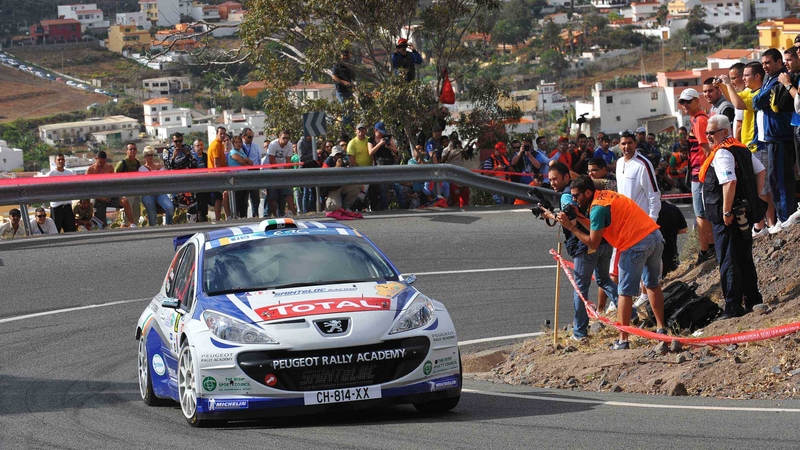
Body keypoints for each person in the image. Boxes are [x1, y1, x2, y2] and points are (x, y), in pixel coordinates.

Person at [557, 175, 667, 350]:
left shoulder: (597, 208)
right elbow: (597, 227)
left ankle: (623, 340)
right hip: (654, 236)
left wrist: (571, 227)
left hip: (634, 244)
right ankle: (662, 329)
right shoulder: (607, 196)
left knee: (624, 293)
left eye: (576, 196)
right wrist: (578, 217)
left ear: (587, 192)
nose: (574, 200)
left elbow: (593, 241)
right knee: (652, 285)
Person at [539, 163, 621, 340]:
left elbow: (571, 220)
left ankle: (580, 332)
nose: (552, 182)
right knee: (604, 280)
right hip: (604, 241)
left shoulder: (567, 195)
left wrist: (549, 215)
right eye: (550, 179)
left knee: (580, 289)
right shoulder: (583, 188)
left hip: (586, 245)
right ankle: (632, 313)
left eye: (555, 179)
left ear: (566, 177)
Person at [701, 114, 764, 319]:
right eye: (707, 133)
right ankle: (753, 300)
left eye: (713, 132)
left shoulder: (722, 153)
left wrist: (727, 211)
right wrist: (752, 196)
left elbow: (730, 182)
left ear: (725, 132)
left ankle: (733, 306)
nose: (709, 137)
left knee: (728, 259)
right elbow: (761, 171)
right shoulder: (741, 148)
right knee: (744, 257)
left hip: (727, 217)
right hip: (742, 213)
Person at [719, 62, 778, 236]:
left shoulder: (759, 94)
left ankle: (770, 223)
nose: (743, 78)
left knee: (763, 188)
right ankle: (762, 224)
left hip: (758, 144)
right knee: (756, 188)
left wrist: (727, 85)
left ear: (757, 76)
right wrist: (722, 86)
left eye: (746, 75)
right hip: (749, 145)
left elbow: (738, 104)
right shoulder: (749, 92)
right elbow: (732, 98)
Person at [753, 48, 796, 226]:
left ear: (779, 62)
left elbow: (758, 100)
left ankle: (787, 217)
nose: (765, 66)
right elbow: (758, 101)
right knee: (774, 179)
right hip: (771, 137)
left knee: (781, 179)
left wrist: (760, 99)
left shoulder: (781, 78)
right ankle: (782, 218)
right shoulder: (768, 79)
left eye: (768, 62)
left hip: (781, 136)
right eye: (763, 63)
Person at [678, 88, 715, 265]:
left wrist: (706, 173)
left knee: (700, 214)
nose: (684, 105)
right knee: (703, 213)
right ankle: (711, 247)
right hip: (699, 172)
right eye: (682, 102)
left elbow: (707, 149)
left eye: (687, 101)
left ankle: (705, 250)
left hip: (700, 173)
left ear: (696, 101)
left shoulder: (700, 121)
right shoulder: (698, 119)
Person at [615, 131, 661, 220]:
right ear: (619, 146)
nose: (627, 146)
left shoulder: (643, 164)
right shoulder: (619, 163)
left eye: (630, 143)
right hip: (624, 218)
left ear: (635, 144)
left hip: (641, 220)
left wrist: (652, 220)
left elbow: (653, 194)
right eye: (623, 143)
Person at [87, 151, 135, 228]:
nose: (101, 164)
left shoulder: (109, 167)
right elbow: (88, 188)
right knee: (102, 225)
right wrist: (100, 197)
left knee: (124, 201)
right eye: (100, 162)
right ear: (96, 159)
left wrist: (110, 195)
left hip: (110, 196)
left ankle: (132, 223)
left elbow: (113, 183)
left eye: (103, 162)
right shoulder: (90, 170)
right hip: (98, 199)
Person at [368, 121, 406, 209]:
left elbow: (396, 151)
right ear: (375, 130)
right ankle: (384, 207)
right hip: (379, 164)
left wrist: (388, 146)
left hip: (390, 163)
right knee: (382, 187)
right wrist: (379, 144)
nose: (381, 134)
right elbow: (370, 152)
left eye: (382, 132)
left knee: (397, 185)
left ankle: (402, 205)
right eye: (379, 132)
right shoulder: (371, 140)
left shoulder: (388, 138)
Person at [321, 145, 361, 219]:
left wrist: (349, 166)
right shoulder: (328, 161)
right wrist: (337, 167)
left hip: (343, 185)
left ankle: (344, 208)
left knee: (356, 187)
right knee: (333, 207)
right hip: (332, 188)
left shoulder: (344, 160)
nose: (339, 156)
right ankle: (331, 205)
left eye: (340, 154)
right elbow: (325, 177)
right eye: (337, 155)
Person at [139, 146, 174, 226]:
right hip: (148, 193)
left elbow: (164, 178)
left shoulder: (160, 166)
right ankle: (153, 235)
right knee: (152, 216)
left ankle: (168, 225)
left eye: (152, 155)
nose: (150, 157)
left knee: (170, 208)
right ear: (144, 156)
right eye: (148, 155)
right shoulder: (141, 169)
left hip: (160, 193)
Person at [441, 132, 478, 207]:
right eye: (453, 139)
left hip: (461, 174)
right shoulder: (446, 150)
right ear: (450, 139)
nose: (455, 140)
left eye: (456, 139)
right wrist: (449, 150)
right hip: (451, 175)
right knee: (455, 197)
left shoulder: (460, 149)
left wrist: (461, 148)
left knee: (465, 195)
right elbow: (442, 161)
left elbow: (466, 157)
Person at [263, 130, 293, 218]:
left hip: (281, 171)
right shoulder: (273, 145)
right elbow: (272, 161)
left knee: (283, 195)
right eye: (284, 138)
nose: (286, 140)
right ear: (279, 137)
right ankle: (274, 215)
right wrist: (278, 173)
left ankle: (282, 213)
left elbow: (288, 161)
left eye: (287, 138)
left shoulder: (289, 145)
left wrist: (284, 173)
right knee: (272, 195)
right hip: (270, 171)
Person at [46, 153, 76, 233]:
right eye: (58, 160)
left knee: (71, 230)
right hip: (56, 206)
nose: (60, 161)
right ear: (55, 161)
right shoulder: (50, 174)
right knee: (55, 231)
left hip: (67, 205)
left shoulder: (69, 173)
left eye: (62, 159)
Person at [657, 200, 688, 278]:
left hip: (655, 258)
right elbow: (684, 229)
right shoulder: (673, 209)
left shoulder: (647, 211)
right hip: (672, 254)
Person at [114, 142, 142, 227]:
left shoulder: (137, 163)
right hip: (126, 193)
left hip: (135, 192)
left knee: (136, 216)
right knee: (126, 219)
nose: (133, 151)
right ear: (126, 151)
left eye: (134, 149)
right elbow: (114, 178)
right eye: (130, 149)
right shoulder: (122, 164)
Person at [207, 126, 231, 221]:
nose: (222, 135)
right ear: (217, 134)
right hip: (216, 175)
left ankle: (223, 217)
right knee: (218, 198)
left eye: (224, 133)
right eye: (220, 133)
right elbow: (216, 163)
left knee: (220, 197)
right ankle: (218, 219)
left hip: (219, 174)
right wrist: (221, 175)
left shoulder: (220, 144)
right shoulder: (216, 145)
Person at [227, 134, 253, 218]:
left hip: (244, 178)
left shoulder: (242, 152)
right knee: (238, 199)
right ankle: (237, 216)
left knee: (244, 200)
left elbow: (250, 163)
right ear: (233, 144)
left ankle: (244, 216)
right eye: (236, 142)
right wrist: (245, 160)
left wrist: (245, 160)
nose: (238, 144)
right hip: (236, 179)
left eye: (239, 142)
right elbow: (242, 161)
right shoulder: (232, 152)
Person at [240, 128, 262, 217]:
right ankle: (243, 216)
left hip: (254, 174)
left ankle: (255, 215)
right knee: (243, 198)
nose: (251, 139)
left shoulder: (256, 146)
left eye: (252, 136)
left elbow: (259, 160)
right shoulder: (239, 147)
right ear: (243, 136)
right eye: (249, 137)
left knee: (255, 197)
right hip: (243, 175)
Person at [191, 139, 210, 222]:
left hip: (205, 183)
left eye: (201, 145)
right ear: (194, 147)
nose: (200, 147)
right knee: (197, 202)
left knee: (204, 201)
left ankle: (204, 216)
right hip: (195, 183)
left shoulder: (206, 156)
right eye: (198, 145)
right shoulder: (192, 158)